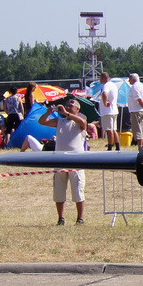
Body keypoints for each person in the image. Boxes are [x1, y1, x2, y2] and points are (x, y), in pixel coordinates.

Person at [45, 97, 89, 225]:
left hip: (76, 161)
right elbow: (42, 121)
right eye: (67, 105)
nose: (68, 107)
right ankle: (61, 218)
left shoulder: (80, 120)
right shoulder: (60, 121)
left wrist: (66, 113)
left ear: (77, 109)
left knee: (78, 191)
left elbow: (83, 123)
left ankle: (80, 219)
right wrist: (48, 113)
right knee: (59, 191)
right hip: (60, 160)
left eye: (71, 105)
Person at [98, 72, 121, 150]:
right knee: (114, 129)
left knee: (109, 130)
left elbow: (105, 93)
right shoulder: (113, 85)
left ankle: (110, 147)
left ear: (103, 78)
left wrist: (105, 102)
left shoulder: (106, 85)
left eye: (100, 79)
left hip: (108, 111)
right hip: (114, 110)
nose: (100, 80)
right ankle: (117, 146)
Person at [126, 73, 143, 143]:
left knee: (137, 129)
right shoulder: (142, 86)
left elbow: (138, 98)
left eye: (130, 79)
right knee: (141, 128)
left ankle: (140, 145)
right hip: (140, 110)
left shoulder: (135, 86)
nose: (129, 81)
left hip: (136, 110)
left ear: (133, 79)